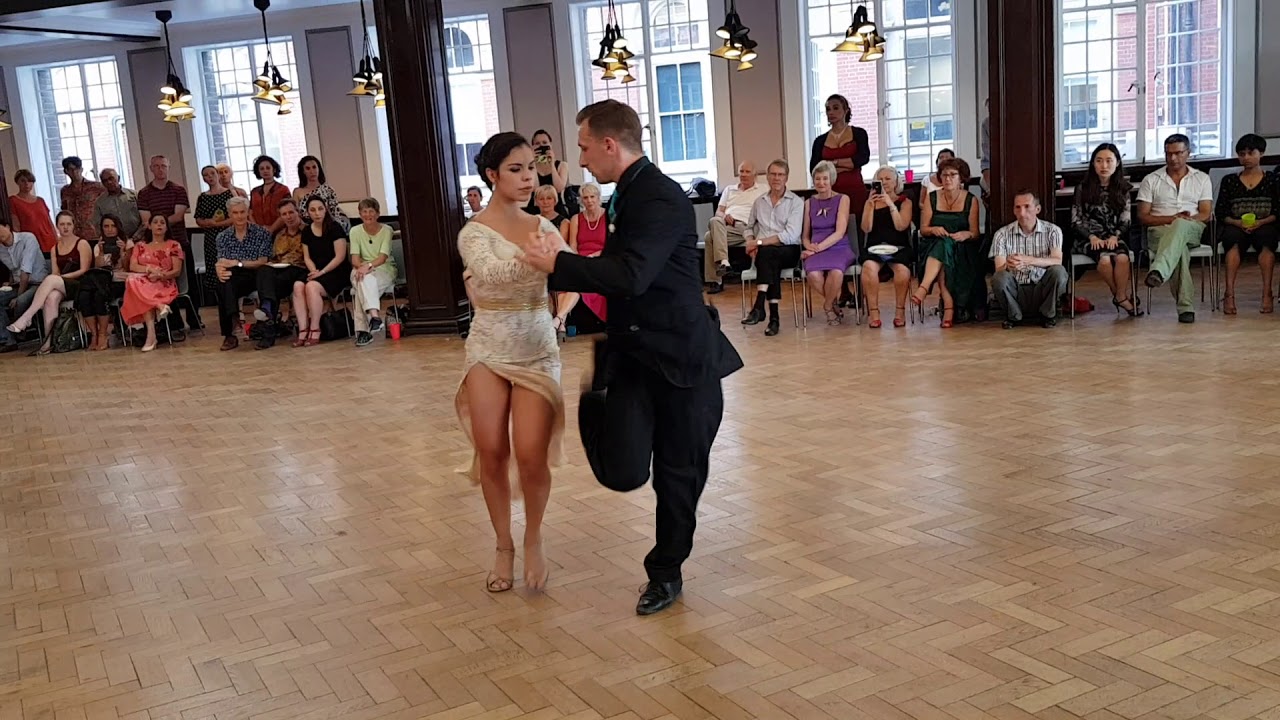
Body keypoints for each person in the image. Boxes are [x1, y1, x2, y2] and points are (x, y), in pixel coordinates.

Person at [520, 99, 743, 616]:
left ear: (608, 144)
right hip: (635, 355)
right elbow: (625, 268)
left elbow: (633, 275)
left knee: (678, 476)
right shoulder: (630, 193)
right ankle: (596, 404)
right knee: (622, 471)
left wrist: (561, 264)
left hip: (684, 360)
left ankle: (665, 571)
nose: (579, 159)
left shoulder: (660, 197)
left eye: (582, 147)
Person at [456, 131, 566, 594]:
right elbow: (491, 275)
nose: (527, 178)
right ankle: (503, 544)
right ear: (491, 175)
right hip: (488, 345)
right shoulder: (473, 232)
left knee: (530, 453)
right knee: (493, 450)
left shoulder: (545, 227)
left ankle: (534, 536)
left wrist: (551, 259)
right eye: (516, 170)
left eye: (530, 168)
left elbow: (569, 269)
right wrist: (537, 259)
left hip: (537, 344)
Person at [1138, 133, 1213, 324]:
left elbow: (1205, 213)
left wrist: (1182, 222)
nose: (1173, 158)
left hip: (1192, 229)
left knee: (1180, 225)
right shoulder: (1151, 179)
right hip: (1159, 230)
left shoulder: (1202, 178)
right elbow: (1143, 216)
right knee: (1179, 251)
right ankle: (1186, 309)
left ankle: (1159, 270)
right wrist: (1172, 218)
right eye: (1168, 154)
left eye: (1178, 153)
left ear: (1188, 153)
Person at [6, 211, 91, 355]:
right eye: (62, 224)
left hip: (81, 284)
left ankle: (27, 317)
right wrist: (59, 278)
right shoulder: (54, 248)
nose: (65, 227)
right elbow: (55, 272)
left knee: (51, 279)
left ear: (74, 226)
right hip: (61, 284)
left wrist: (61, 278)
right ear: (57, 226)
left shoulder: (81, 243)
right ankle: (48, 343)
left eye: (68, 224)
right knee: (50, 298)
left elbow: (84, 269)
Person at [912, 157, 980, 328]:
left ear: (961, 177)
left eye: (952, 175)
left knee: (946, 249)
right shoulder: (931, 197)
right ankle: (948, 310)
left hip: (962, 247)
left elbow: (975, 233)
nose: (948, 179)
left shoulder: (971, 200)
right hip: (933, 245)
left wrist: (966, 234)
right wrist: (934, 229)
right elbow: (923, 229)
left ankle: (924, 288)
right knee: (943, 246)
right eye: (944, 175)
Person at [1072, 143, 1139, 316]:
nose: (1104, 166)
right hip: (1087, 238)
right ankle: (1121, 298)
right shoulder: (1082, 188)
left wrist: (1115, 236)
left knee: (1123, 258)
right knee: (1105, 261)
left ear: (1117, 163)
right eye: (1099, 161)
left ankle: (1120, 296)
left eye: (1109, 161)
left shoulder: (1124, 189)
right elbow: (1076, 220)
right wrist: (1091, 237)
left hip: (1113, 237)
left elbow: (1126, 219)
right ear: (1093, 163)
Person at [742, 160, 805, 337]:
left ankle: (759, 306)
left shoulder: (796, 202)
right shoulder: (759, 202)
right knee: (770, 259)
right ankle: (773, 319)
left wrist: (759, 243)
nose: (776, 178)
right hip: (766, 254)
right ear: (767, 177)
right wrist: (750, 241)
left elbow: (790, 235)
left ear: (786, 178)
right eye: (773, 174)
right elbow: (748, 227)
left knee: (767, 253)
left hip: (789, 250)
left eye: (780, 175)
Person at [1217, 133, 1279, 315]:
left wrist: (1260, 222)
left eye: (1251, 153)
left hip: (1265, 223)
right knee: (1233, 244)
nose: (1246, 158)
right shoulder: (1229, 180)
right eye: (1242, 154)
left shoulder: (1273, 179)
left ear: (1261, 153)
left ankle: (1267, 293)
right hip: (1236, 225)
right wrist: (1237, 222)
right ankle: (1229, 294)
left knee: (1267, 243)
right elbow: (1221, 212)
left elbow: (1277, 211)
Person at [990, 191, 1068, 329]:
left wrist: (1029, 260)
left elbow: (1057, 260)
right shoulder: (1001, 234)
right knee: (998, 278)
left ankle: (1048, 315)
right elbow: (999, 269)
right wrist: (1008, 265)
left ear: (1037, 209)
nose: (1022, 212)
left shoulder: (1053, 231)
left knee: (1059, 272)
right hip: (1016, 287)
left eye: (1027, 207)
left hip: (1042, 285)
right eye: (1018, 207)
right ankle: (1013, 316)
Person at [137, 154, 198, 332]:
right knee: (163, 283)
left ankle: (194, 320)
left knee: (188, 283)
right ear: (151, 169)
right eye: (156, 166)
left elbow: (179, 216)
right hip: (156, 248)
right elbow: (145, 220)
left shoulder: (178, 190)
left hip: (180, 241)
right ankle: (173, 322)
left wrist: (159, 224)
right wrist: (158, 227)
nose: (160, 169)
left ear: (168, 167)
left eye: (163, 166)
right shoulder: (144, 193)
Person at [213, 197, 272, 351]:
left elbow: (263, 261)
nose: (239, 216)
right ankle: (231, 330)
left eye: (242, 212)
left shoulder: (261, 233)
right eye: (235, 213)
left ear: (248, 212)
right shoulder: (223, 237)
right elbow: (222, 261)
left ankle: (233, 325)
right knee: (222, 281)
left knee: (228, 281)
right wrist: (219, 269)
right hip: (235, 278)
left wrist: (238, 262)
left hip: (257, 275)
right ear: (230, 214)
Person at [859, 165, 914, 329]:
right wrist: (869, 206)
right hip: (875, 247)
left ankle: (900, 311)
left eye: (888, 179)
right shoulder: (870, 203)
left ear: (896, 181)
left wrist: (890, 204)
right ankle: (874, 312)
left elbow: (901, 226)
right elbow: (866, 228)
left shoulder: (905, 202)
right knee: (868, 268)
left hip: (899, 247)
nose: (884, 182)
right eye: (880, 180)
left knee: (902, 271)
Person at [800, 160, 854, 325]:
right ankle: (833, 304)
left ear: (831, 179)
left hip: (838, 246)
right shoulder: (809, 203)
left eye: (825, 178)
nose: (821, 183)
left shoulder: (843, 199)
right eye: (817, 179)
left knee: (836, 273)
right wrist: (808, 246)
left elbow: (839, 232)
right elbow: (805, 235)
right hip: (815, 247)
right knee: (813, 275)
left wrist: (816, 249)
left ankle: (827, 306)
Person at [292, 197, 350, 347]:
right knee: (298, 285)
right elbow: (307, 256)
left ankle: (315, 327)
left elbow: (340, 257)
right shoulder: (306, 231)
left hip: (335, 270)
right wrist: (313, 270)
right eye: (312, 210)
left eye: (320, 209)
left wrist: (321, 272)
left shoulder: (335, 228)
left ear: (325, 209)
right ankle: (303, 329)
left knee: (312, 287)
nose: (317, 213)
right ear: (307, 213)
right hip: (316, 270)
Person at [121, 214, 184, 352]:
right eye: (155, 222)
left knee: (134, 285)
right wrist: (149, 269)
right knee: (132, 279)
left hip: (164, 283)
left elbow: (177, 271)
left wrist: (160, 275)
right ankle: (155, 318)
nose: (159, 225)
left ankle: (151, 335)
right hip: (144, 282)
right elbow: (133, 266)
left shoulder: (173, 245)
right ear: (149, 226)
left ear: (167, 227)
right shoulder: (140, 246)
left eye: (162, 222)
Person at [251, 198, 307, 350]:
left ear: (298, 212)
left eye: (291, 212)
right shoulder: (279, 235)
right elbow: (275, 258)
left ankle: (267, 322)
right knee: (264, 270)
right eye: (284, 214)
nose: (288, 217)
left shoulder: (308, 231)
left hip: (300, 270)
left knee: (269, 286)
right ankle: (268, 311)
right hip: (280, 273)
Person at [704, 161, 767, 293]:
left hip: (748, 228)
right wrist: (725, 215)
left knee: (709, 237)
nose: (743, 175)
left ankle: (716, 279)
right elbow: (719, 211)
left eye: (747, 172)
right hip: (727, 226)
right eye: (741, 172)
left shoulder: (762, 189)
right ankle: (724, 262)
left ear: (754, 174)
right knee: (715, 221)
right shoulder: (729, 189)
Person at [810, 94, 870, 219]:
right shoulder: (820, 141)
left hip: (855, 190)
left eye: (836, 108)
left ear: (846, 110)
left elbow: (862, 158)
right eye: (828, 109)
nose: (831, 112)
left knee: (856, 229)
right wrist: (848, 165)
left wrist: (833, 164)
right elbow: (815, 169)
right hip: (830, 192)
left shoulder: (859, 133)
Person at [76, 214, 129, 351]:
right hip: (103, 281)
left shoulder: (127, 243)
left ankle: (103, 334)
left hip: (120, 281)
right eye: (106, 226)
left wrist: (123, 251)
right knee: (84, 296)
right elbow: (99, 269)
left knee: (100, 296)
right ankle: (94, 334)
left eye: (113, 226)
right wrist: (100, 253)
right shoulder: (99, 246)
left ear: (118, 228)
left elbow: (129, 267)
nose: (110, 229)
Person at [349, 197, 396, 347]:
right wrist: (362, 267)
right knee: (362, 280)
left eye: (371, 211)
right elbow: (355, 259)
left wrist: (367, 266)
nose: (368, 215)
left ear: (377, 214)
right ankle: (375, 317)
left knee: (360, 287)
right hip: (360, 268)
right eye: (364, 211)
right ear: (360, 214)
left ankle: (363, 332)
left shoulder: (386, 230)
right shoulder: (355, 231)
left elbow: (382, 258)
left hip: (383, 268)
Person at [561, 182, 607, 334]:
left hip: (601, 258)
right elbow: (573, 245)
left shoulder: (608, 216)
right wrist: (576, 261)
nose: (589, 200)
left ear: (598, 197)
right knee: (567, 279)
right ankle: (561, 320)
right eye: (585, 197)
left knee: (579, 282)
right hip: (581, 259)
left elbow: (611, 245)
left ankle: (560, 319)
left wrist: (594, 256)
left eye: (592, 196)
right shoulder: (576, 218)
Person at [0, 217, 48, 353]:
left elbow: (25, 271)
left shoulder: (27, 238)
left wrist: (18, 296)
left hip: (37, 283)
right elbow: (12, 269)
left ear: (8, 227)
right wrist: (9, 282)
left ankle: (20, 331)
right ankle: (8, 339)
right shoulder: (1, 249)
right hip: (17, 283)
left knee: (20, 301)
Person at [292, 155, 350, 231]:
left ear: (319, 169)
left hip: (328, 227)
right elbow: (296, 214)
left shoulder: (328, 190)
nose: (312, 171)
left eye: (314, 167)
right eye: (308, 168)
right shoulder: (297, 192)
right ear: (303, 172)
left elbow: (334, 213)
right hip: (306, 229)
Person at [8, 169, 57, 252]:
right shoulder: (13, 201)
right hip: (31, 242)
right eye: (23, 181)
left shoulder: (40, 200)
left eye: (30, 181)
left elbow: (49, 222)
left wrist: (57, 238)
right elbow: (16, 225)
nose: (26, 184)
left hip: (49, 240)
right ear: (17, 182)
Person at [524, 129, 570, 217]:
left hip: (556, 208)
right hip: (535, 208)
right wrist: (533, 162)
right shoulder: (529, 166)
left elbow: (559, 188)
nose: (541, 145)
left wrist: (552, 163)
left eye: (544, 143)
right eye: (537, 144)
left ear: (550, 144)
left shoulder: (562, 165)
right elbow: (535, 188)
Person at [59, 156, 106, 242]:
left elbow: (106, 205)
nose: (74, 172)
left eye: (77, 169)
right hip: (74, 235)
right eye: (71, 169)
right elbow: (65, 211)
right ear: (66, 171)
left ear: (81, 169)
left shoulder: (96, 187)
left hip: (93, 232)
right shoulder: (65, 191)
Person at [92, 168, 142, 240]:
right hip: (114, 242)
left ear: (118, 178)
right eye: (105, 181)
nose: (109, 182)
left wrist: (135, 238)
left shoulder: (135, 195)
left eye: (111, 178)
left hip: (139, 239)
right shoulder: (100, 202)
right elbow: (98, 225)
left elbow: (145, 219)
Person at [249, 155, 291, 234]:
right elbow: (250, 213)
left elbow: (287, 211)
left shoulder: (283, 190)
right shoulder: (254, 192)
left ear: (274, 170)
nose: (265, 171)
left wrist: (271, 229)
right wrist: (258, 230)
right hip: (258, 233)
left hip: (281, 232)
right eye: (262, 169)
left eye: (268, 168)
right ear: (258, 171)